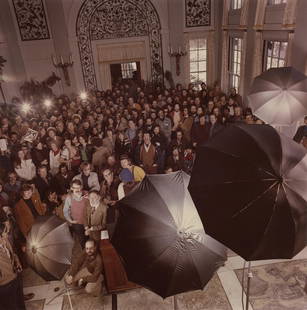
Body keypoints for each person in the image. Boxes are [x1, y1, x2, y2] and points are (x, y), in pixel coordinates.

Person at [0, 222, 26, 310]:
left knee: (21, 304)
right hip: (5, 284)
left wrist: (17, 261)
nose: (6, 236)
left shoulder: (5, 241)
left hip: (15, 277)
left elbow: (12, 253)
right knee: (11, 307)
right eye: (4, 234)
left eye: (6, 233)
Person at [63, 179, 88, 248]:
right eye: (75, 188)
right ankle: (85, 251)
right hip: (77, 223)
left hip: (88, 222)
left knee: (89, 238)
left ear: (81, 187)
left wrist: (90, 198)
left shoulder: (87, 194)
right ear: (71, 188)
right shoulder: (69, 198)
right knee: (82, 239)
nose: (77, 190)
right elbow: (65, 211)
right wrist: (71, 221)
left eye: (79, 187)